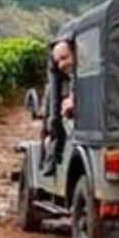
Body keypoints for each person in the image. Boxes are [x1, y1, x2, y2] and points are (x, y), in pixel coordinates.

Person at [41, 39, 76, 176]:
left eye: (64, 58)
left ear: (75, 53)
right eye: (57, 62)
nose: (61, 64)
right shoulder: (67, 82)